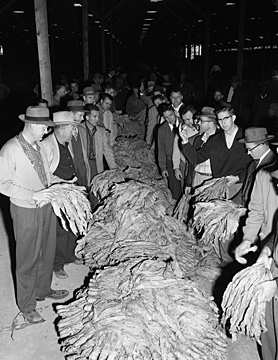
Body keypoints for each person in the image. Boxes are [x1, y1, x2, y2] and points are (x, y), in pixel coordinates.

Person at [0, 106, 69, 324]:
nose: (46, 132)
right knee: (27, 258)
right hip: (25, 209)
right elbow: (3, 184)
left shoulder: (37, 146)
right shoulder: (10, 149)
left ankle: (43, 289)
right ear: (31, 125)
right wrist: (33, 195)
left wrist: (58, 186)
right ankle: (27, 305)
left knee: (46, 252)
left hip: (45, 205)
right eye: (44, 128)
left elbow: (46, 175)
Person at [179, 105, 252, 264]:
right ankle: (226, 261)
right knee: (224, 227)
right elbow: (197, 158)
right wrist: (185, 142)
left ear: (233, 118)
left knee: (239, 226)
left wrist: (238, 177)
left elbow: (253, 166)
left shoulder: (245, 136)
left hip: (240, 187)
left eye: (226, 119)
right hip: (221, 188)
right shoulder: (215, 140)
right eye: (220, 120)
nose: (224, 123)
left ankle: (243, 258)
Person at [41, 111, 82, 279]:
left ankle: (69, 256)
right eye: (72, 128)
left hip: (70, 190)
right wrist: (62, 186)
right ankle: (57, 265)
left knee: (71, 225)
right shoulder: (47, 145)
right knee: (59, 229)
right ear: (62, 128)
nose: (74, 132)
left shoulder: (66, 142)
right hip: (58, 193)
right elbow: (44, 175)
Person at [79, 104, 117, 209]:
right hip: (83, 166)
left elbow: (107, 151)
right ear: (87, 117)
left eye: (98, 116)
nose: (97, 119)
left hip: (97, 165)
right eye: (94, 116)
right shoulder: (79, 129)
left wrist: (113, 167)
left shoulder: (101, 131)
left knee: (96, 191)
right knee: (84, 192)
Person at [238, 127, 276, 207]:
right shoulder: (252, 164)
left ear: (261, 145)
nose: (248, 153)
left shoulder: (273, 166)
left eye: (250, 149)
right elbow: (245, 191)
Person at [157, 104, 182, 200]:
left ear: (175, 112)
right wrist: (163, 167)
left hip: (184, 160)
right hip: (170, 160)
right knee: (175, 188)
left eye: (170, 115)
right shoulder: (162, 130)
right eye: (166, 117)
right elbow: (161, 149)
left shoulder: (184, 123)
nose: (169, 119)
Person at [173, 105, 198, 191]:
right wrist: (176, 167)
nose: (187, 122)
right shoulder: (182, 131)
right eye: (184, 120)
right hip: (186, 164)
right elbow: (176, 149)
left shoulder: (203, 129)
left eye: (189, 119)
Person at [67, 100, 89, 188]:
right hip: (71, 175)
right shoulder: (62, 133)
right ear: (71, 114)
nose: (83, 118)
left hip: (82, 172)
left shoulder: (82, 130)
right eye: (80, 115)